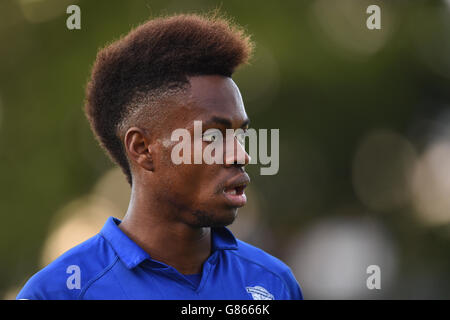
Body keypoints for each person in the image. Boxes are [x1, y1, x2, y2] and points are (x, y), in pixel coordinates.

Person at [17, 12, 303, 300]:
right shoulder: (57, 293)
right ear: (142, 149)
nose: (241, 154)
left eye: (240, 134)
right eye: (213, 136)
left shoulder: (274, 283)